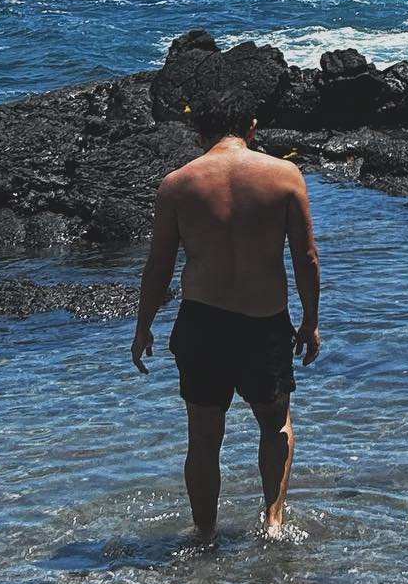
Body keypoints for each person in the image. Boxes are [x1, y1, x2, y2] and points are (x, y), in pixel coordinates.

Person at [131, 88, 321, 541]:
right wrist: (310, 321)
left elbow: (158, 267)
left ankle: (205, 534)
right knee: (274, 424)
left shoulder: (178, 184)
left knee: (203, 438)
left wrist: (143, 326)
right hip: (264, 320)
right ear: (252, 128)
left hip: (203, 323)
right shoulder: (285, 177)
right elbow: (306, 257)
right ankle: (273, 524)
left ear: (199, 133)